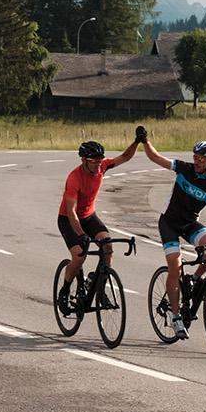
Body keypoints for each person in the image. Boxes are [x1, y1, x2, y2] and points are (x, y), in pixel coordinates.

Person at [138, 130, 206, 340]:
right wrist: (145, 141)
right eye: (195, 157)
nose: (196, 161)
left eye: (201, 159)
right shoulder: (184, 169)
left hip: (189, 224)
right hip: (169, 223)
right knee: (175, 268)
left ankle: (195, 279)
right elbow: (156, 158)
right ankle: (176, 317)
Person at [56, 133, 141, 312]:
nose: (97, 164)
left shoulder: (102, 167)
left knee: (107, 246)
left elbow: (125, 157)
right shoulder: (74, 178)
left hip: (89, 216)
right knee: (79, 255)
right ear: (83, 160)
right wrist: (81, 235)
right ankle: (64, 291)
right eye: (93, 161)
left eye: (99, 160)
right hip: (68, 219)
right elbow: (71, 212)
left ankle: (100, 287)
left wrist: (137, 141)